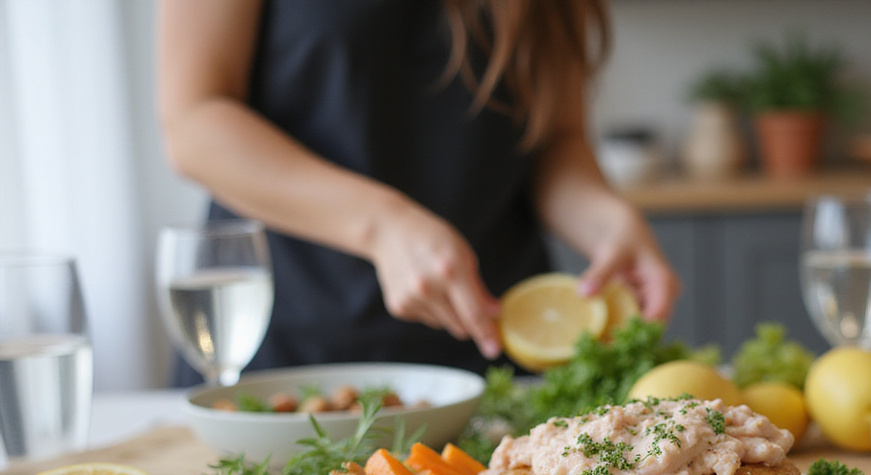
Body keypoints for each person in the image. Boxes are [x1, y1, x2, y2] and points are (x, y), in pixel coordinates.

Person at [157, 0, 681, 385]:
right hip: (286, 350)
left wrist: (606, 221)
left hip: (491, 364)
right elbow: (194, 121)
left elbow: (554, 141)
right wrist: (383, 224)